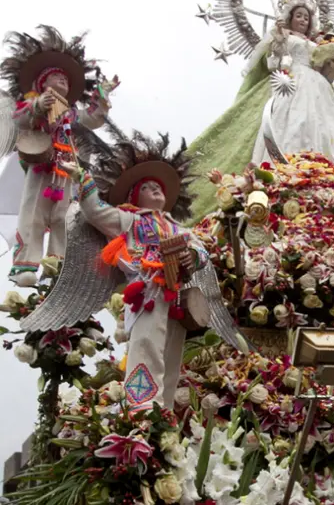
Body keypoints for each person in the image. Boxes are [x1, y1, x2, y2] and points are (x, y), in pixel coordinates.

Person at [19, 122, 248, 413]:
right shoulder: (129, 220)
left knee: (172, 352)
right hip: (149, 290)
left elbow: (201, 250)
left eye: (158, 187)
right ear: (133, 197)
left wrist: (193, 256)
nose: (155, 191)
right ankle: (141, 409)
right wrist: (83, 180)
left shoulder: (178, 227)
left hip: (178, 295)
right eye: (148, 187)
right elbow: (94, 212)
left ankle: (163, 413)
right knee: (146, 345)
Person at [186, 0, 334, 219]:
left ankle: (327, 174)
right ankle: (283, 172)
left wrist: (333, 59)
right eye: (299, 15)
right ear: (290, 17)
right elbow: (272, 64)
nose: (303, 20)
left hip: (318, 90)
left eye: (306, 17)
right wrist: (278, 42)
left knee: (326, 128)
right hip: (291, 83)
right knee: (292, 123)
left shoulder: (318, 43)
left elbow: (326, 72)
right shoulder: (283, 35)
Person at [0, 25, 113, 287]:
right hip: (41, 166)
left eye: (65, 78)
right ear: (42, 83)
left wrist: (103, 96)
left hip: (68, 169)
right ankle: (25, 264)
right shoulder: (31, 103)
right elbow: (21, 121)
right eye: (56, 77)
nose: (63, 80)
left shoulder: (71, 114)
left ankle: (57, 263)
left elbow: (93, 119)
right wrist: (38, 106)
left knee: (64, 215)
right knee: (33, 212)